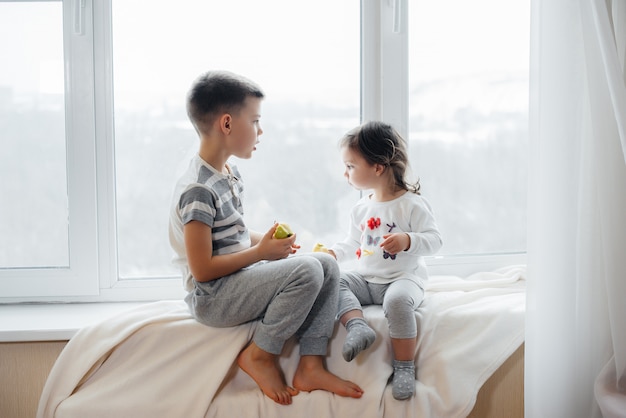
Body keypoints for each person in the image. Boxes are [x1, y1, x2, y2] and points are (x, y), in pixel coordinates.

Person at [168, 70, 363, 405]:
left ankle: (311, 365)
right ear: (227, 124)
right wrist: (261, 253)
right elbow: (202, 270)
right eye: (255, 121)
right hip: (213, 297)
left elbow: (233, 234)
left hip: (236, 281)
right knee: (308, 271)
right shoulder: (198, 189)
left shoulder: (227, 173)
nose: (261, 130)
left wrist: (269, 241)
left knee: (325, 264)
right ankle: (260, 354)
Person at [322, 121, 443, 400]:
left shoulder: (412, 204)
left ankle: (404, 367)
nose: (345, 173)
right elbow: (353, 243)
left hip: (403, 279)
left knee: (397, 302)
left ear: (377, 167)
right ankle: (357, 326)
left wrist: (408, 240)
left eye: (351, 166)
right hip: (367, 280)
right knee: (336, 282)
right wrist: (332, 254)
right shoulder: (361, 208)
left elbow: (435, 240)